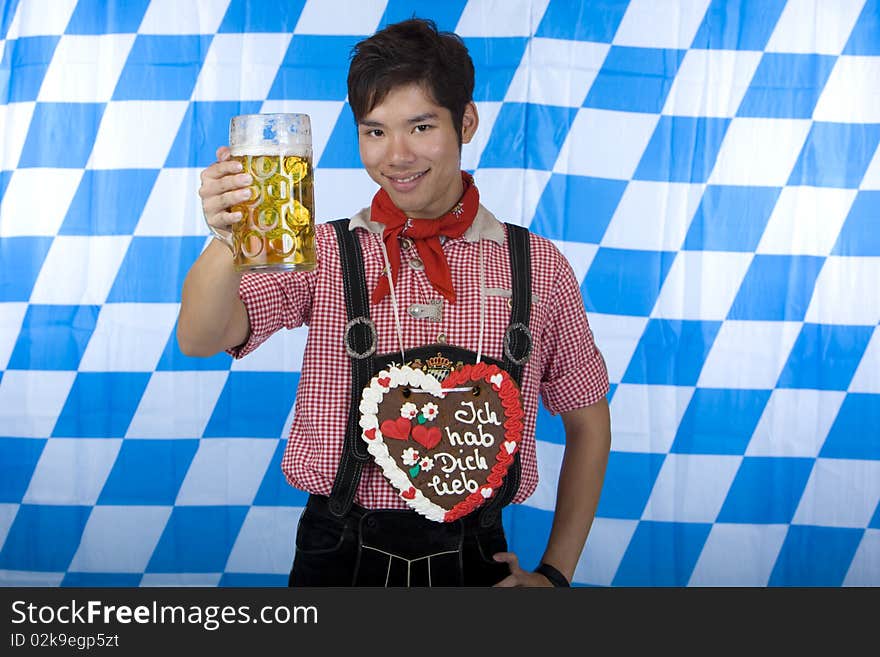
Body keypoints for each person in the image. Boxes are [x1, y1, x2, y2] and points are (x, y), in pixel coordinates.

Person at [178, 18, 611, 587]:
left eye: (421, 126)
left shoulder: (538, 266)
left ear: (468, 123)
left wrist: (556, 574)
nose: (396, 155)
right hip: (338, 551)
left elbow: (589, 422)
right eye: (375, 131)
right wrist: (228, 239)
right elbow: (201, 337)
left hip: (474, 555)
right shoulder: (327, 251)